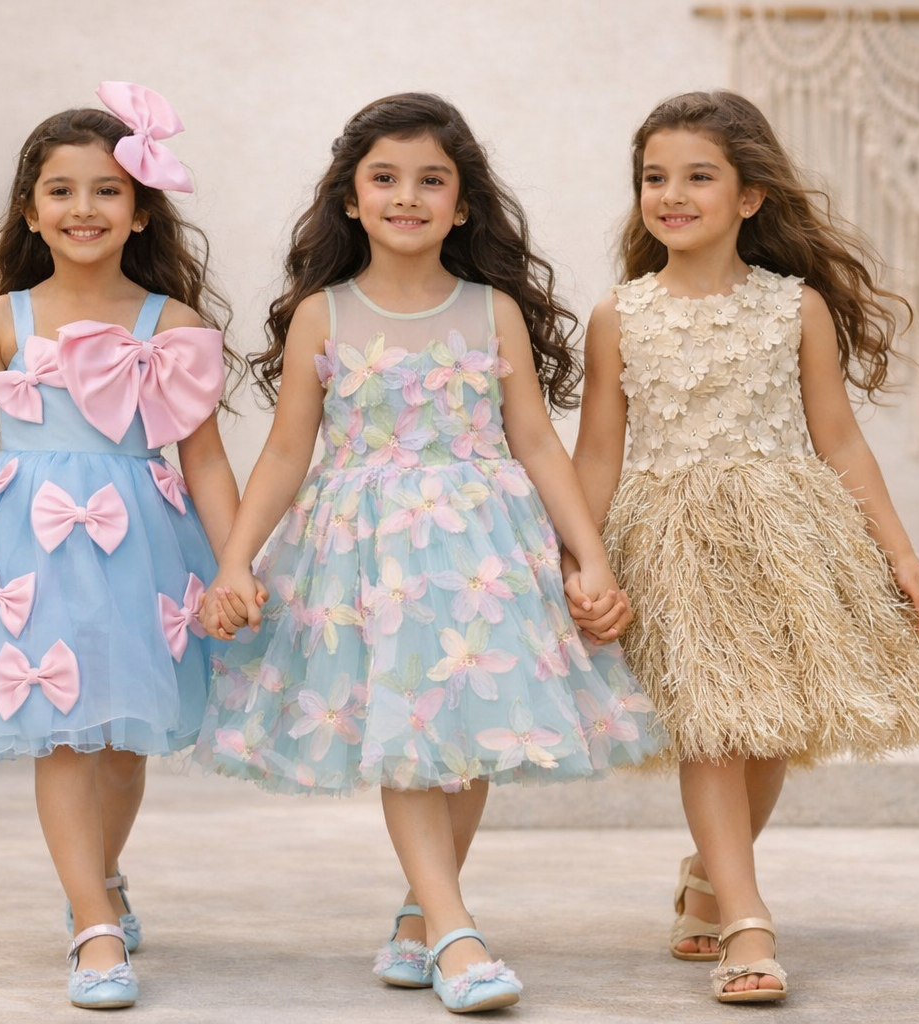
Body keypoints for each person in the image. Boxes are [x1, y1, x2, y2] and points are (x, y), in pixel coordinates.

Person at [194, 93, 661, 1014]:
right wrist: (238, 559)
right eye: (385, 178)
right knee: (409, 734)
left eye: (431, 180)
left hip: (485, 545)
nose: (407, 196)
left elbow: (534, 440)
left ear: (464, 204)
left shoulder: (492, 313)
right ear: (351, 199)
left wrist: (589, 559)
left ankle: (418, 913)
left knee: (467, 729)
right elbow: (289, 448)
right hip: (366, 555)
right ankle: (455, 934)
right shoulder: (322, 316)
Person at [569, 90, 919, 1005]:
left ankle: (707, 874)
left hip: (786, 533)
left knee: (768, 734)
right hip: (671, 538)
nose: (671, 195)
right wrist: (579, 559)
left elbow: (839, 440)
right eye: (654, 177)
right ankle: (747, 922)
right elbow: (598, 449)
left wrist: (902, 555)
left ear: (750, 197)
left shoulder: (794, 308)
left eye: (697, 177)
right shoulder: (619, 316)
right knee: (714, 726)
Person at [0, 82, 239, 1010]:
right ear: (30, 209)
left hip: (143, 549)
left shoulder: (170, 327)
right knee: (60, 731)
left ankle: (101, 873)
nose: (84, 209)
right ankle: (92, 922)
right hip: (26, 547)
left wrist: (233, 564)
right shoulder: (2, 320)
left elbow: (209, 463)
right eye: (60, 191)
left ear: (141, 211)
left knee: (125, 740)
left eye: (107, 190)